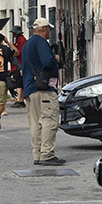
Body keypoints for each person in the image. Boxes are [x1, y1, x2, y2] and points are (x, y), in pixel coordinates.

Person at [22, 18, 66, 166]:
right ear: (45, 29)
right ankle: (47, 154)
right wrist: (56, 59)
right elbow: (47, 61)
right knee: (49, 121)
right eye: (49, 30)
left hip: (30, 89)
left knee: (36, 123)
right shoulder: (41, 42)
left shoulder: (27, 43)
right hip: (44, 89)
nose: (49, 33)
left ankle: (38, 154)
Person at [10, 25, 27, 108]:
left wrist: (12, 52)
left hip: (19, 64)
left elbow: (19, 52)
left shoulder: (21, 40)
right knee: (19, 82)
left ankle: (19, 100)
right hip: (17, 65)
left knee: (19, 83)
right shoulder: (18, 40)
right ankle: (20, 99)